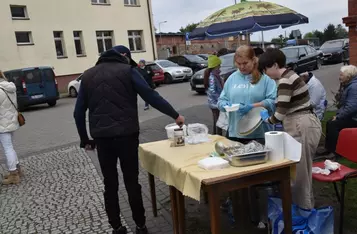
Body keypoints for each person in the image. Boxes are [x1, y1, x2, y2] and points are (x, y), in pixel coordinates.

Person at [74, 45, 185, 234]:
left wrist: (85, 140)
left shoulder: (87, 75)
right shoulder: (128, 70)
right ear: (124, 57)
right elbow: (150, 95)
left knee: (110, 184)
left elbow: (78, 113)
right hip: (127, 136)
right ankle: (141, 225)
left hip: (102, 139)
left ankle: (117, 227)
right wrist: (175, 115)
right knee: (132, 181)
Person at [258, 48, 321, 210]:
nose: (265, 73)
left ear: (275, 65)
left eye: (265, 69)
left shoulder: (285, 80)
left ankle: (304, 213)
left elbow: (280, 113)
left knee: (300, 174)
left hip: (301, 124)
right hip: (304, 121)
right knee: (302, 171)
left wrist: (267, 119)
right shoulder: (292, 75)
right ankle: (304, 209)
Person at [217, 45, 277, 143]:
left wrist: (252, 106)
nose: (241, 67)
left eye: (245, 63)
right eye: (238, 63)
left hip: (260, 134)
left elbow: (273, 102)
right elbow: (221, 101)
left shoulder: (265, 78)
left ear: (253, 60)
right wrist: (223, 105)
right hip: (235, 133)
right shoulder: (232, 78)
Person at [318, 65, 357, 157]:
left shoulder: (353, 87)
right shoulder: (350, 85)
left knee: (333, 124)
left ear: (348, 76)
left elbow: (351, 107)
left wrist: (339, 116)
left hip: (354, 118)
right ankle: (328, 148)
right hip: (352, 116)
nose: (339, 77)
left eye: (341, 75)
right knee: (330, 122)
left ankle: (336, 151)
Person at [0, 70, 22, 185]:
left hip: (2, 124)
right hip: (11, 121)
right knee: (10, 147)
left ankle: (14, 174)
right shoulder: (10, 87)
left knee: (7, 148)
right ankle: (17, 169)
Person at [204, 55, 224, 135]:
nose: (220, 67)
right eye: (219, 65)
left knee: (216, 120)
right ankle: (218, 136)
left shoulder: (214, 75)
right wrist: (221, 99)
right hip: (215, 103)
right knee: (219, 121)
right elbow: (212, 91)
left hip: (214, 102)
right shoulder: (212, 77)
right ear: (215, 66)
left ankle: (215, 135)